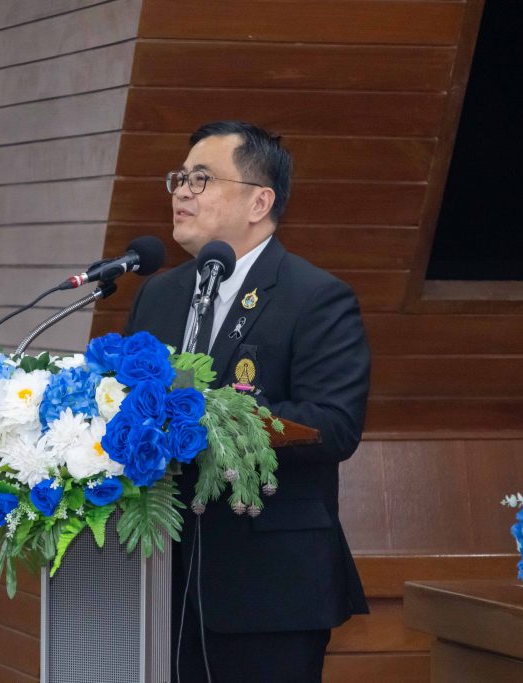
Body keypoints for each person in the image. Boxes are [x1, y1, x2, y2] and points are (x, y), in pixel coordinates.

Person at [124, 121, 371, 682]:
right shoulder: (158, 293)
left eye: (202, 179)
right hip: (157, 575)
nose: (182, 191)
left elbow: (335, 425)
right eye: (179, 178)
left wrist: (217, 415)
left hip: (267, 586)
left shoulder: (315, 297)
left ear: (260, 201)